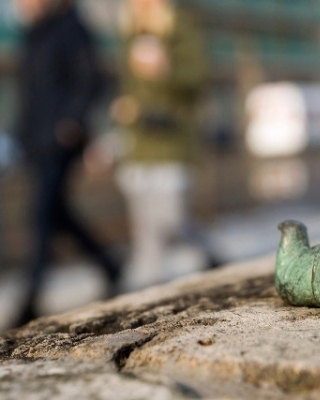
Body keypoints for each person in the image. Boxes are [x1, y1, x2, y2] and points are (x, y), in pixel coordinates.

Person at [13, 0, 120, 326]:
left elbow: (90, 79)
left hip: (59, 141)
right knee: (57, 212)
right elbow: (30, 92)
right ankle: (109, 263)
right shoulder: (33, 34)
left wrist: (71, 121)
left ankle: (30, 297)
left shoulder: (72, 28)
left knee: (43, 215)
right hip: (34, 141)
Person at [112, 0, 216, 290]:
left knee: (172, 218)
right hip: (139, 138)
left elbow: (198, 77)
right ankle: (149, 283)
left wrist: (164, 68)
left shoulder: (179, 26)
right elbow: (129, 85)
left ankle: (207, 251)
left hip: (171, 136)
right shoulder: (128, 30)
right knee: (144, 224)